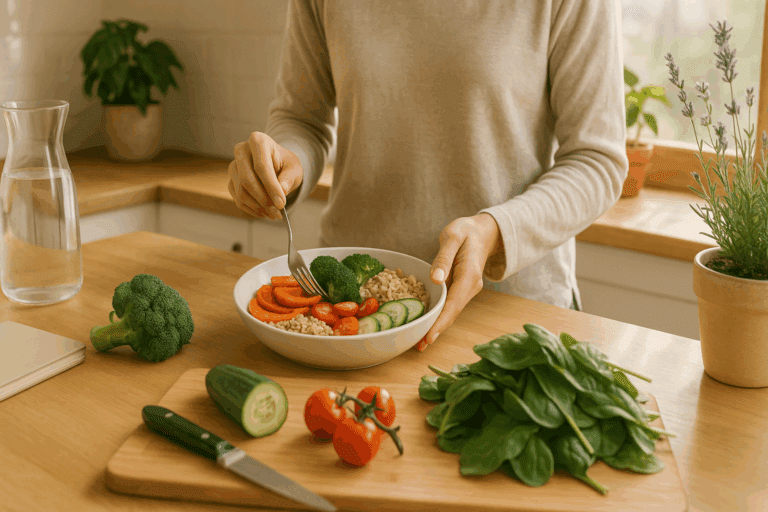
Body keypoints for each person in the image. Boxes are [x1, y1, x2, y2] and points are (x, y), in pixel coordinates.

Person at [228, 0, 628, 351]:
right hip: (348, 315)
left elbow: (597, 159)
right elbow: (301, 117)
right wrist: (284, 163)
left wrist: (495, 230)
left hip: (506, 317)